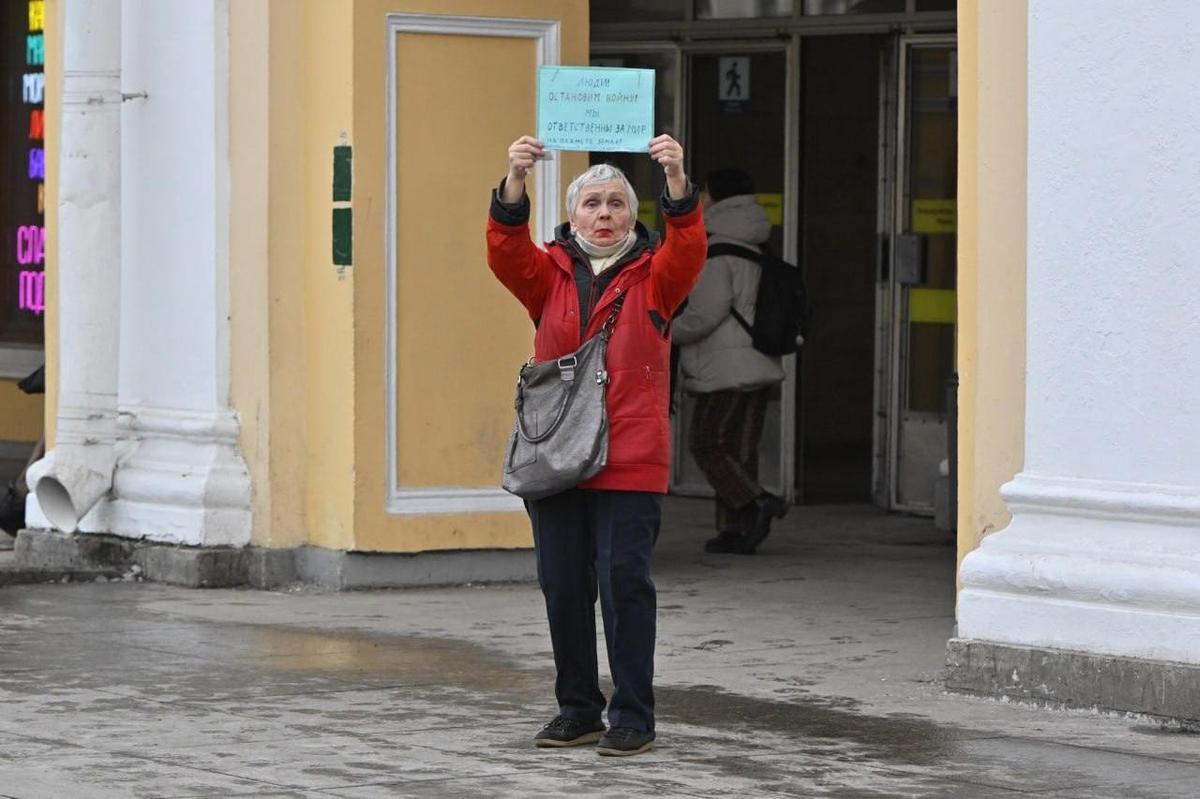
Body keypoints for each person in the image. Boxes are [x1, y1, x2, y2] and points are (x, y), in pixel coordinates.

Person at [487, 134, 705, 757]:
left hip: (629, 456)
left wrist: (677, 181)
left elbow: (689, 246)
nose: (604, 214)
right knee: (562, 585)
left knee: (623, 584)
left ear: (632, 214)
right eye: (592, 204)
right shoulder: (547, 272)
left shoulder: (658, 275)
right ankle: (577, 708)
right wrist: (514, 181)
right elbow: (504, 252)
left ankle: (633, 714)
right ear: (573, 212)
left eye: (616, 203)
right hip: (555, 452)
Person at [673, 168, 788, 555]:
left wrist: (664, 330)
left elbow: (706, 313)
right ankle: (736, 531)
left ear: (712, 197)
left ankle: (757, 502)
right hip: (757, 359)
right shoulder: (756, 243)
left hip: (724, 365)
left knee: (706, 441)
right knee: (739, 450)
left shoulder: (717, 249)